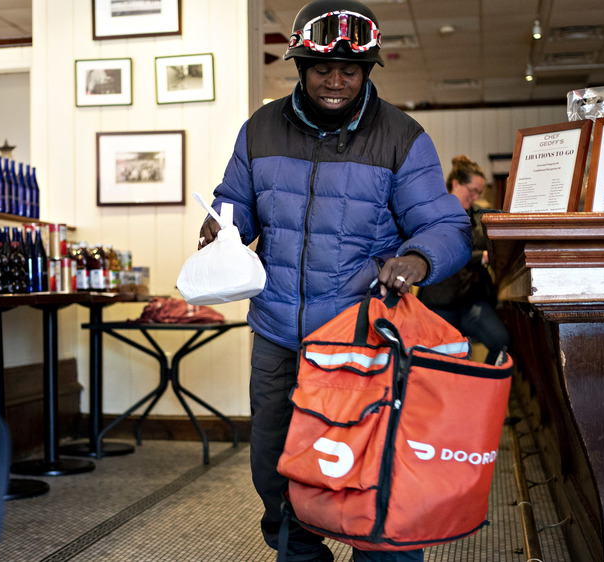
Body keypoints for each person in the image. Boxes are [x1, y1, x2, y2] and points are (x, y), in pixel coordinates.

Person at [196, 1, 472, 560]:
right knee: (277, 473)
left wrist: (417, 260)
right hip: (278, 336)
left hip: (360, 340)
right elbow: (237, 204)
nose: (336, 81)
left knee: (371, 475)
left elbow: (446, 225)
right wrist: (222, 226)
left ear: (368, 70)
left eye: (351, 69)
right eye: (323, 68)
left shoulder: (401, 137)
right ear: (299, 65)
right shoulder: (260, 128)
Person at [416, 155, 510, 365]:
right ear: (456, 184)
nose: (475, 196)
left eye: (479, 192)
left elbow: (493, 247)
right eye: (472, 191)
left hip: (471, 302)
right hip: (439, 302)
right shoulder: (434, 214)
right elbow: (445, 250)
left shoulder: (477, 217)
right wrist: (481, 258)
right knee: (439, 358)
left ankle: (483, 387)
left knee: (501, 341)